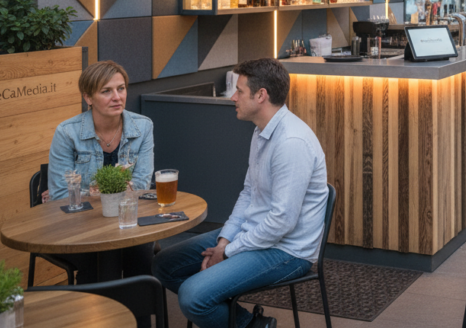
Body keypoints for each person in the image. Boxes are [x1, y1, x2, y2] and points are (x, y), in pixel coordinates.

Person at [153, 58, 328, 328]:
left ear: (261, 96)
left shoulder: (291, 142)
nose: (233, 97)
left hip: (287, 251)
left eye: (240, 91)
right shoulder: (261, 131)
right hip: (254, 233)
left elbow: (282, 222)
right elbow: (249, 193)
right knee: (165, 264)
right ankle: (251, 323)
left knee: (193, 297)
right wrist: (224, 241)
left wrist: (230, 251)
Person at [46, 61, 155, 286]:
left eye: (121, 88)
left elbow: (142, 184)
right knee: (100, 261)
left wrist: (91, 193)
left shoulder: (143, 127)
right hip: (80, 227)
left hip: (127, 222)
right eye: (106, 91)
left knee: (141, 257)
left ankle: (140, 320)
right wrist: (113, 192)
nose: (117, 97)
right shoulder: (67, 133)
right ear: (88, 98)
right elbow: (59, 196)